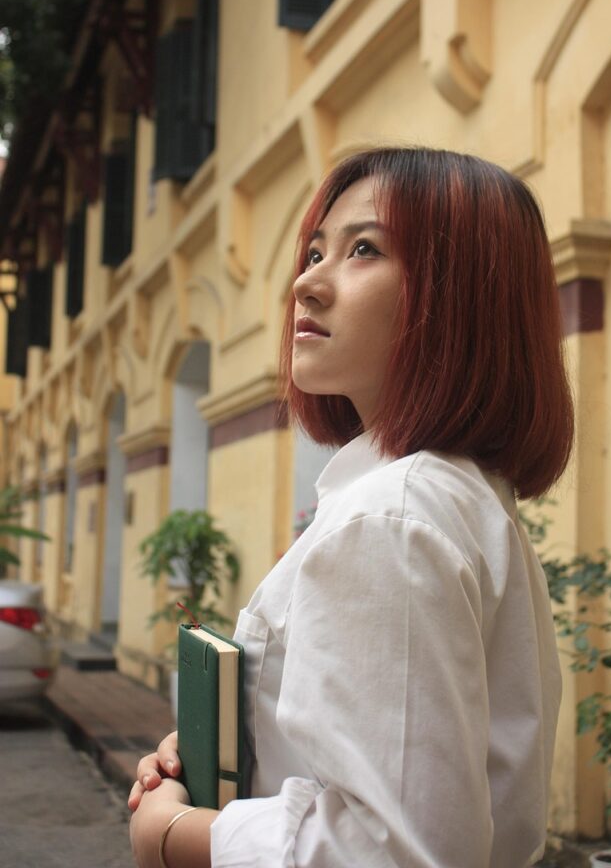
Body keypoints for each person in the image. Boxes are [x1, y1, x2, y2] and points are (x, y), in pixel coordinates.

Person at [129, 147, 573, 868]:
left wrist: (174, 837)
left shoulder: (390, 519)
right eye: (313, 251)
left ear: (456, 293)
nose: (306, 281)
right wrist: (233, 743)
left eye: (363, 249)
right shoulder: (451, 500)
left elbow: (392, 850)